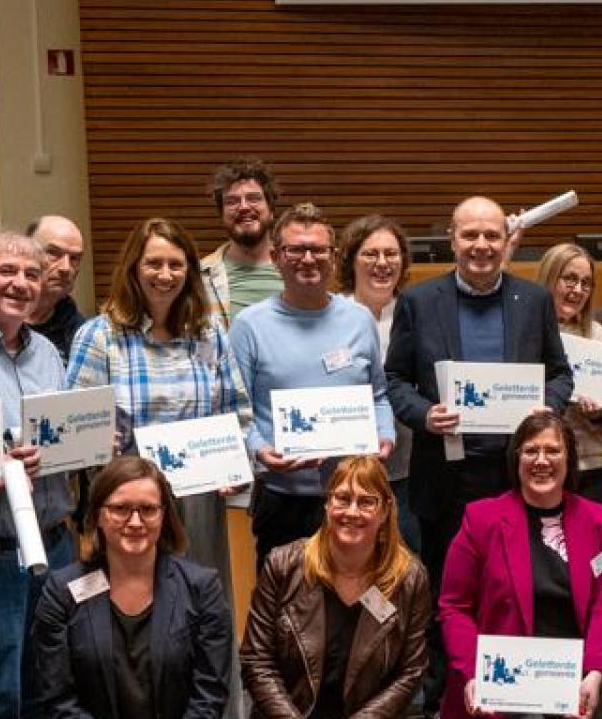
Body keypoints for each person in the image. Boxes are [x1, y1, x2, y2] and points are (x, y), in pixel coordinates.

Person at [385, 196, 575, 591]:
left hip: (517, 474)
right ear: (452, 239)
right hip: (445, 478)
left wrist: (547, 408)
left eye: (492, 235)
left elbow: (560, 375)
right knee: (448, 590)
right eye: (470, 235)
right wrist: (424, 414)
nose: (482, 245)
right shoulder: (418, 302)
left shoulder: (535, 301)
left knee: (516, 585)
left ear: (507, 240)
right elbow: (396, 378)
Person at [66, 217, 251, 583]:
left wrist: (236, 464)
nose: (165, 275)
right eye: (153, 263)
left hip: (198, 501)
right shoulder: (100, 335)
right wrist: (95, 442)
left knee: (198, 597)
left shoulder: (209, 334)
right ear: (133, 267)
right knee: (132, 600)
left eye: (176, 264)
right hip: (127, 505)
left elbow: (237, 412)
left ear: (190, 271)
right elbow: (75, 428)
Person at [0, 231, 81, 718]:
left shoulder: (47, 353)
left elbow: (64, 434)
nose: (21, 283)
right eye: (6, 271)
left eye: (31, 274)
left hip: (55, 544)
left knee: (50, 687)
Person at [437, 412, 602, 719]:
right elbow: (454, 607)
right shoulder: (481, 520)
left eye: (553, 450)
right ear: (516, 459)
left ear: (569, 459)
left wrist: (595, 672)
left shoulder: (600, 522)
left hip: (574, 665)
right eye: (531, 451)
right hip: (509, 671)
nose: (541, 460)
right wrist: (475, 673)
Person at [231, 204, 397, 560]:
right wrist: (259, 449)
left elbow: (379, 395)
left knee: (357, 591)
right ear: (276, 257)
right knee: (283, 593)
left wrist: (385, 434)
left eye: (318, 250)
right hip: (283, 498)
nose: (308, 259)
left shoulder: (359, 319)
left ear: (333, 257)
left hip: (354, 497)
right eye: (296, 249)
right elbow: (235, 409)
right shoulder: (249, 325)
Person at [26, 455, 233, 718]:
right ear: (98, 515)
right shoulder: (61, 592)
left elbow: (209, 696)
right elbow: (59, 700)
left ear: (163, 516)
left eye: (148, 509)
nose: (135, 522)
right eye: (120, 509)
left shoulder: (202, 589)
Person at [241, 456, 433, 717]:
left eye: (366, 502)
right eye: (342, 499)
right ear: (327, 503)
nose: (352, 512)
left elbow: (411, 671)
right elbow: (256, 660)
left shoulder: (410, 579)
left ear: (386, 510)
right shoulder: (283, 565)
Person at [338, 213, 418, 550]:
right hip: (343, 473)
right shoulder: (331, 314)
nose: (382, 263)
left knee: (405, 566)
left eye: (391, 254)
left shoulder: (418, 313)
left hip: (407, 472)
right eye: (371, 254)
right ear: (351, 260)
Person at [542, 242, 602, 508]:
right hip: (540, 468)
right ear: (549, 278)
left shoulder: (600, 336)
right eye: (569, 279)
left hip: (593, 469)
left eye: (586, 283)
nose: (578, 290)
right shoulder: (524, 333)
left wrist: (599, 414)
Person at [199, 157, 284, 325]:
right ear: (222, 215)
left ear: (271, 210)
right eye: (232, 201)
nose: (244, 207)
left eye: (254, 198)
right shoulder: (199, 277)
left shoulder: (300, 267)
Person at [27, 215, 91, 360]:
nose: (65, 268)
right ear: (25, 252)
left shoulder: (82, 334)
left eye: (74, 258)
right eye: (53, 253)